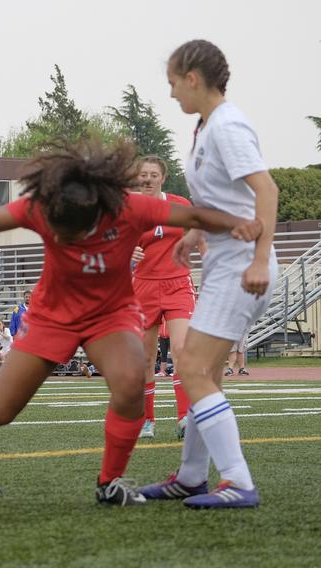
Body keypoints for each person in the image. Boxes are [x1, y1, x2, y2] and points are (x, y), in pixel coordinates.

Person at [0, 137, 262, 506]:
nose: (65, 238)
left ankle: (109, 482)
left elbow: (196, 216)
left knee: (131, 383)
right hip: (50, 318)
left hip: (110, 316)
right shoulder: (43, 207)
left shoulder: (130, 207)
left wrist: (243, 223)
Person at [140, 39, 279, 509]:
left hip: (240, 270)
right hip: (224, 265)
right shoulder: (205, 128)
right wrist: (195, 234)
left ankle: (237, 480)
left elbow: (267, 190)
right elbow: (227, 202)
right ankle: (193, 476)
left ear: (193, 79)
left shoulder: (227, 125)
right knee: (203, 374)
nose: (172, 93)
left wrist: (260, 259)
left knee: (193, 369)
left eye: (173, 83)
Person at [131, 155, 197, 440]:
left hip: (177, 285)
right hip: (143, 288)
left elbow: (199, 231)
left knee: (182, 350)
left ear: (162, 178)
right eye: (143, 174)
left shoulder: (180, 205)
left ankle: (184, 418)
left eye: (153, 174)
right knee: (145, 358)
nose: (147, 179)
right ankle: (148, 420)